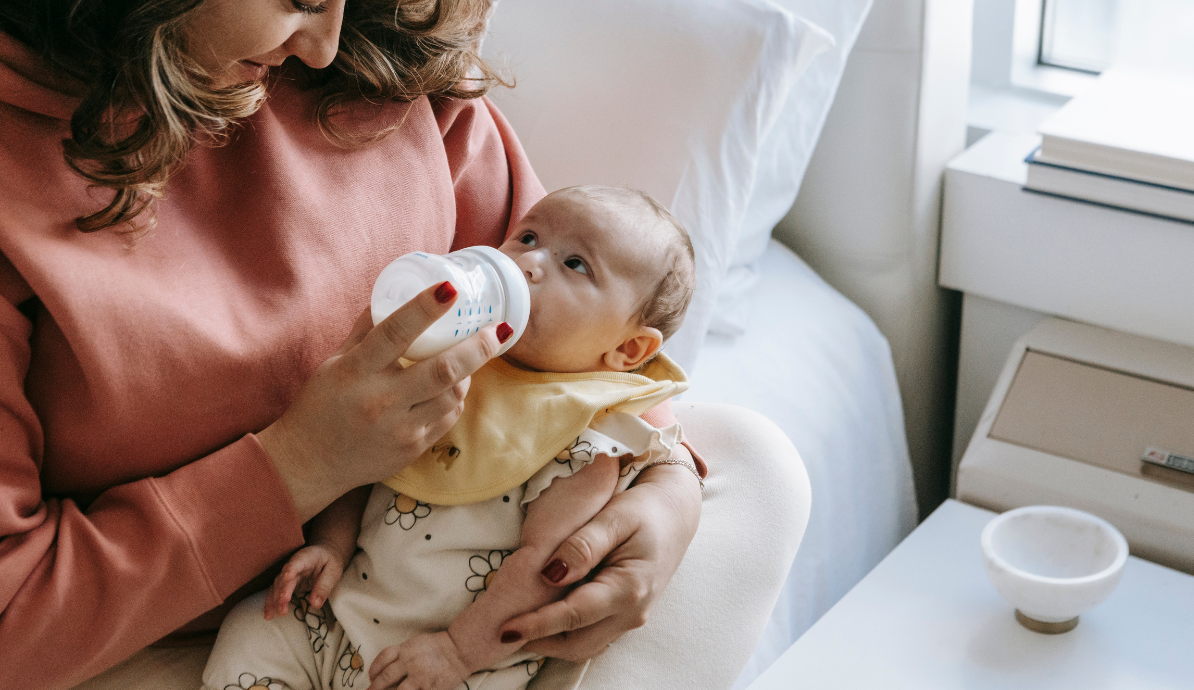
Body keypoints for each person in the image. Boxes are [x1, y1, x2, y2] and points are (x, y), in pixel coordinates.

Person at [0, 2, 706, 688]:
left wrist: (669, 492)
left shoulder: (387, 55)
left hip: (435, 606)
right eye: (301, 0)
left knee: (766, 466)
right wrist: (299, 465)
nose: (326, 47)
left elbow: (593, 325)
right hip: (157, 633)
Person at [202, 185, 700, 690]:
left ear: (628, 348)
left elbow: (545, 567)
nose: (529, 263)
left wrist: (459, 651)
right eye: (527, 237)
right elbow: (359, 456)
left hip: (443, 659)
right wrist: (332, 544)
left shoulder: (583, 438)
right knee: (254, 629)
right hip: (336, 614)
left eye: (575, 264)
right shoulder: (444, 359)